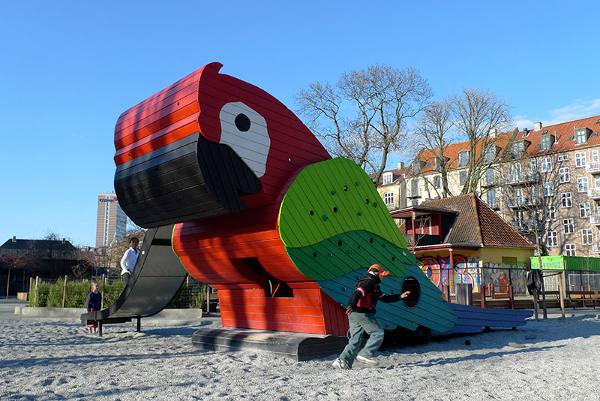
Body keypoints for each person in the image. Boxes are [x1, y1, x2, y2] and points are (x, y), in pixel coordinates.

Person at [332, 264, 411, 369]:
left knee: (355, 340)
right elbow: (358, 293)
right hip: (362, 313)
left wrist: (400, 296)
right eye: (382, 275)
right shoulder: (369, 282)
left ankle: (342, 360)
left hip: (354, 313)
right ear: (376, 273)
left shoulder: (374, 285)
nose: (383, 277)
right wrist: (352, 304)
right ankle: (365, 354)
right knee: (377, 332)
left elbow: (385, 298)